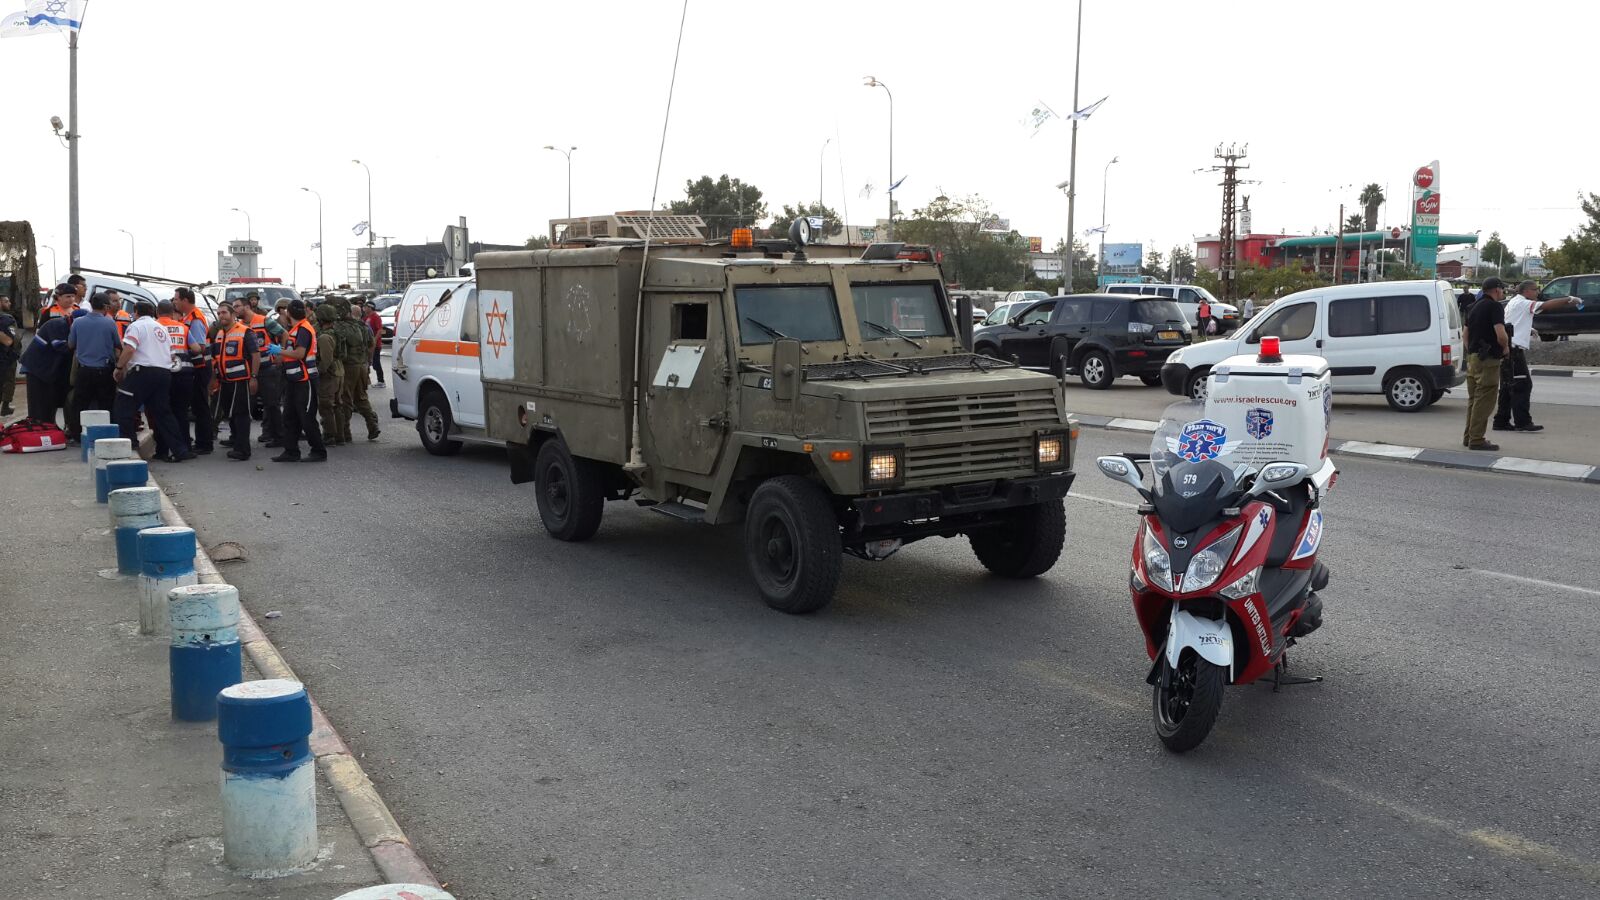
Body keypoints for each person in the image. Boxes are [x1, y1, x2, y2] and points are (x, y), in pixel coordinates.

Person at [1494, 280, 1585, 434]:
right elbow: (1545, 305)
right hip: (1514, 351)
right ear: (1527, 291)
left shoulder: (1514, 302)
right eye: (1536, 289)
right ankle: (1523, 422)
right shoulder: (1523, 303)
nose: (1537, 292)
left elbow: (1510, 321)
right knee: (1522, 385)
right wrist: (1569, 299)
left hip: (1509, 349)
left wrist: (1528, 328)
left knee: (1508, 386)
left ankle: (1501, 421)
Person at [112, 301, 190, 462]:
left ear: (136, 312)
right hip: (163, 373)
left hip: (142, 371)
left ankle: (129, 445)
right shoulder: (161, 329)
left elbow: (130, 349)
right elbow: (172, 354)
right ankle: (180, 450)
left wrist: (119, 367)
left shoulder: (136, 326)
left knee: (123, 405)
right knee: (163, 413)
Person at [272, 299, 327, 462]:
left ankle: (318, 451)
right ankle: (291, 451)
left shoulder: (303, 329)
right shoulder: (296, 329)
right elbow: (293, 353)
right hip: (294, 379)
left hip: (305, 380)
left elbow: (299, 354)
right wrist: (280, 357)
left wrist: (279, 351)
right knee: (289, 416)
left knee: (306, 417)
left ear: (288, 313)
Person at [65, 291, 122, 442]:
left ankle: (77, 435)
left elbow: (71, 344)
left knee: (79, 404)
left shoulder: (78, 322)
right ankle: (106, 435)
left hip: (84, 371)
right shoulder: (109, 322)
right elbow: (118, 344)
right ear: (105, 306)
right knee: (106, 404)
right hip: (104, 371)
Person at [1463, 277, 1509, 451]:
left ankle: (1468, 437)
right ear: (1497, 290)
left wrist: (1471, 352)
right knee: (1485, 400)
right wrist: (1505, 348)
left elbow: (1464, 335)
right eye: (1502, 290)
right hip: (1488, 359)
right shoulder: (1495, 307)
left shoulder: (1471, 307)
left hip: (1473, 358)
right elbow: (1501, 334)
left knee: (1474, 400)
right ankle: (1477, 439)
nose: (1503, 293)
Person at [18, 286, 77, 424]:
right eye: (67, 296)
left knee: (52, 400)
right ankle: (40, 430)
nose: (71, 299)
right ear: (58, 297)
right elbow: (59, 345)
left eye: (72, 296)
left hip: (53, 366)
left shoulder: (75, 312)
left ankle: (49, 428)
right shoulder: (51, 316)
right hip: (38, 366)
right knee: (40, 403)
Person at [211, 301, 259, 460]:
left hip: (241, 380)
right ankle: (237, 444)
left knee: (241, 414)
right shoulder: (220, 333)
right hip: (225, 381)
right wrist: (214, 379)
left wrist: (253, 377)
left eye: (224, 312)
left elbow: (255, 355)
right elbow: (216, 359)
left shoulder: (245, 332)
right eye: (219, 313)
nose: (221, 316)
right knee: (231, 414)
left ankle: (243, 450)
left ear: (233, 315)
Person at [172, 288, 214, 454]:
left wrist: (182, 352)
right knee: (197, 405)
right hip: (196, 367)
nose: (174, 302)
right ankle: (202, 441)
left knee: (200, 406)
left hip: (200, 367)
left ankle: (205, 443)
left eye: (176, 299)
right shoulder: (187, 318)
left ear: (185, 300)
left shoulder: (195, 319)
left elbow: (201, 347)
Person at [333, 298, 379, 443]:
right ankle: (372, 425)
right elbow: (371, 344)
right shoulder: (363, 327)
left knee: (345, 399)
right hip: (362, 365)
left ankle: (345, 433)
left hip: (349, 366)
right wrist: (368, 361)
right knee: (361, 398)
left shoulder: (341, 327)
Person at [312, 302, 345, 445]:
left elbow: (326, 360)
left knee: (326, 406)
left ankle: (330, 435)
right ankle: (340, 436)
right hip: (338, 370)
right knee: (337, 405)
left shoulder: (324, 337)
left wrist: (318, 371)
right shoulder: (335, 332)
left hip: (329, 374)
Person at [0, 294, 17, 417]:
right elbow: (9, 341)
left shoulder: (7, 319)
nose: (9, 303)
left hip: (6, 359)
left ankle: (5, 406)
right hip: (5, 360)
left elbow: (9, 341)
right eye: (6, 301)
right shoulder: (7, 319)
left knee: (9, 382)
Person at [363, 301, 385, 386]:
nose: (364, 308)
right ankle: (366, 380)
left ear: (370, 307)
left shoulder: (376, 317)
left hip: (375, 345)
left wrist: (374, 340)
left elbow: (380, 330)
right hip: (367, 345)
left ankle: (381, 381)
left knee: (376, 363)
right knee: (367, 363)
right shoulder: (366, 318)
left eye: (365, 307)